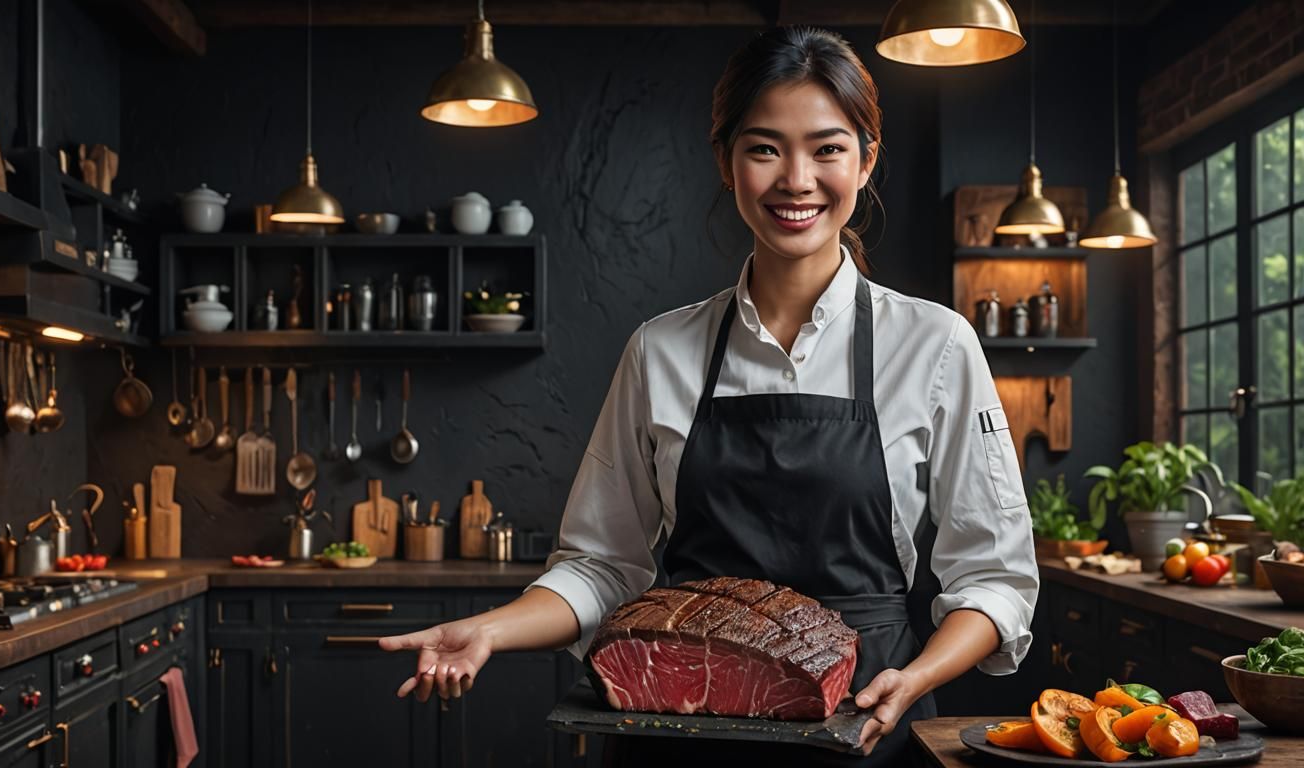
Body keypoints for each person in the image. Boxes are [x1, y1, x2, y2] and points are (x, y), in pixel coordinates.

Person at [380, 26, 1039, 766]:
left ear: (865, 160)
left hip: (866, 725)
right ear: (726, 163)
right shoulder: (661, 351)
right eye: (764, 148)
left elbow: (993, 579)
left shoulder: (936, 346)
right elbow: (602, 565)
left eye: (827, 148)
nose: (797, 179)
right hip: (683, 729)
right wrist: (493, 629)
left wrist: (913, 679)